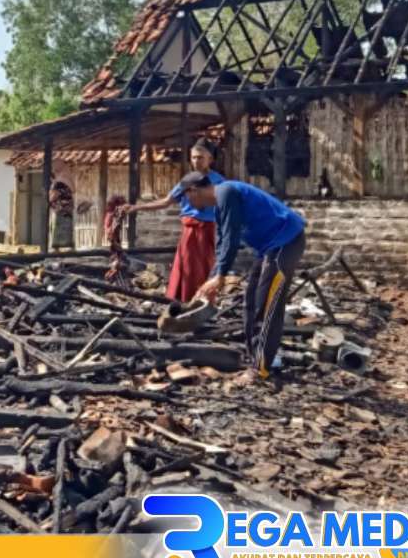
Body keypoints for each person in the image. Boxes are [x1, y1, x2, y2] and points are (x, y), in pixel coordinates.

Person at [179, 172, 306, 379]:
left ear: (193, 190)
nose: (188, 203)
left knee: (267, 305)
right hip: (269, 248)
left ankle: (260, 368)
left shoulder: (226, 192)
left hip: (286, 242)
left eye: (186, 197)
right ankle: (253, 356)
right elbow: (222, 243)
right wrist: (213, 281)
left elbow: (231, 237)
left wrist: (220, 276)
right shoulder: (220, 204)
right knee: (251, 301)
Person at [121, 139, 225, 302]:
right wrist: (136, 208)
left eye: (200, 158)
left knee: (207, 267)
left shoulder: (219, 181)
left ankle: (204, 302)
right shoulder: (187, 181)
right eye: (194, 157)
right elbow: (165, 201)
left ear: (210, 159)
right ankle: (184, 301)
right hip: (190, 230)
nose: (196, 161)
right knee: (187, 268)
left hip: (208, 230)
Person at [49, 180, 74, 249]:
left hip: (61, 212)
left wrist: (51, 205)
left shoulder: (57, 185)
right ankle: (68, 247)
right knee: (65, 231)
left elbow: (52, 198)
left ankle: (57, 248)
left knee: (58, 231)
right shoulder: (67, 186)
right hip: (66, 212)